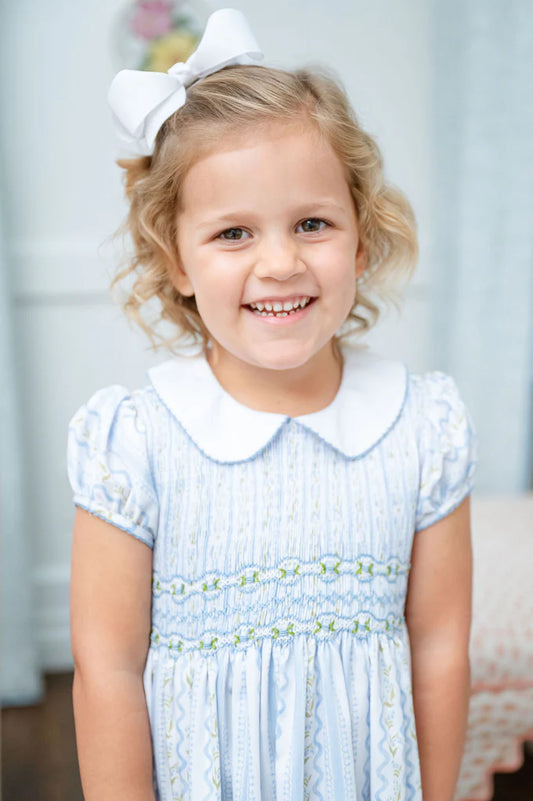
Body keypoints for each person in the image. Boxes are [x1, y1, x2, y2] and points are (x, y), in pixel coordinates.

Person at [67, 8, 477, 801]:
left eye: (312, 223)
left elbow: (437, 647)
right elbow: (107, 669)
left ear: (361, 240)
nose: (280, 262)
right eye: (233, 234)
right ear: (175, 260)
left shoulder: (422, 429)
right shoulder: (136, 443)